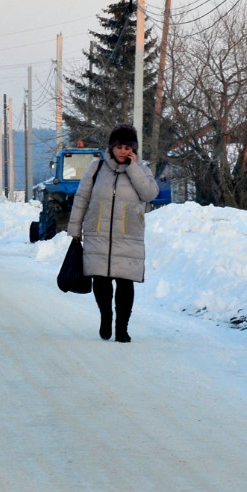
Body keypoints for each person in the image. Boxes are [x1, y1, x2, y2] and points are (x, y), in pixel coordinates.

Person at [66, 124, 158, 343]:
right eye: (119, 146)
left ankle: (122, 328)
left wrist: (133, 168)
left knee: (126, 282)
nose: (123, 151)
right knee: (101, 279)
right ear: (111, 147)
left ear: (133, 149)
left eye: (128, 147)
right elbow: (82, 198)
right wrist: (75, 229)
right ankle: (106, 317)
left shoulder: (142, 170)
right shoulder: (96, 168)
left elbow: (149, 194)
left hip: (128, 234)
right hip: (98, 231)